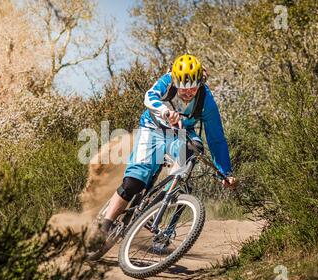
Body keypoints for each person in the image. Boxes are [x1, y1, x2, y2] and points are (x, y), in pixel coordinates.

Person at [98, 53, 236, 240]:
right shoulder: (167, 81)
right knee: (132, 183)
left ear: (200, 83)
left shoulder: (206, 100)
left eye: (193, 89)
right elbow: (149, 97)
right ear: (176, 81)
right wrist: (165, 112)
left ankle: (164, 199)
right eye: (183, 89)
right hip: (152, 128)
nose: (188, 93)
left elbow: (216, 138)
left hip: (180, 133)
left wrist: (225, 172)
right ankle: (103, 229)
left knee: (194, 149)